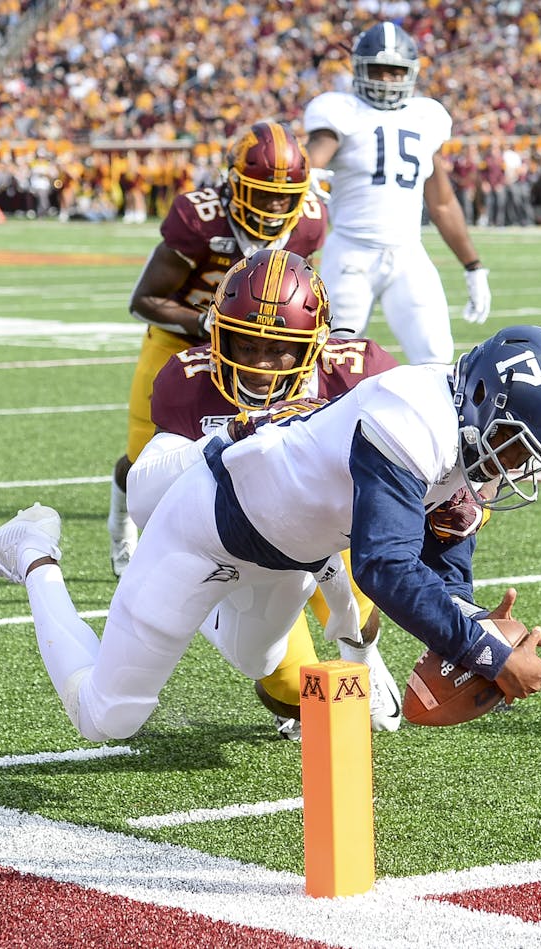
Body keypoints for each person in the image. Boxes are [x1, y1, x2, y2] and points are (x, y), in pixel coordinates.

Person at [0, 322, 541, 745]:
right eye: (516, 449)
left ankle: (174, 610)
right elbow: (386, 568)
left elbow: (443, 567)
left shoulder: (464, 438)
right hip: (207, 527)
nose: (514, 468)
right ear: (485, 400)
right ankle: (34, 551)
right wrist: (489, 654)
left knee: (256, 661)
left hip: (292, 555)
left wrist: (474, 621)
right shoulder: (413, 414)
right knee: (108, 717)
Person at [125, 249, 408, 739]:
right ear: (219, 336)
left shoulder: (357, 372)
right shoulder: (189, 381)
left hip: (319, 527)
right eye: (245, 344)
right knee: (286, 687)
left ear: (314, 344)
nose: (260, 364)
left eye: (279, 348)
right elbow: (153, 494)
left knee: (362, 598)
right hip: (228, 541)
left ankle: (363, 658)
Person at [106, 121, 325, 576]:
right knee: (143, 453)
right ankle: (121, 522)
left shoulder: (310, 221)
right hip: (180, 341)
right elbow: (144, 300)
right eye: (263, 192)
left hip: (254, 349)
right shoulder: (198, 218)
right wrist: (204, 322)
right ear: (234, 182)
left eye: (286, 195)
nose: (276, 205)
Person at [301, 20, 490, 366]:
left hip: (407, 254)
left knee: (436, 356)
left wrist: (473, 266)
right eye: (378, 70)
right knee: (331, 360)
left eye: (394, 71)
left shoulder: (425, 118)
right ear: (359, 69)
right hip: (350, 255)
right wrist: (303, 173)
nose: (386, 80)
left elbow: (443, 203)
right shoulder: (342, 112)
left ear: (411, 73)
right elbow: (313, 158)